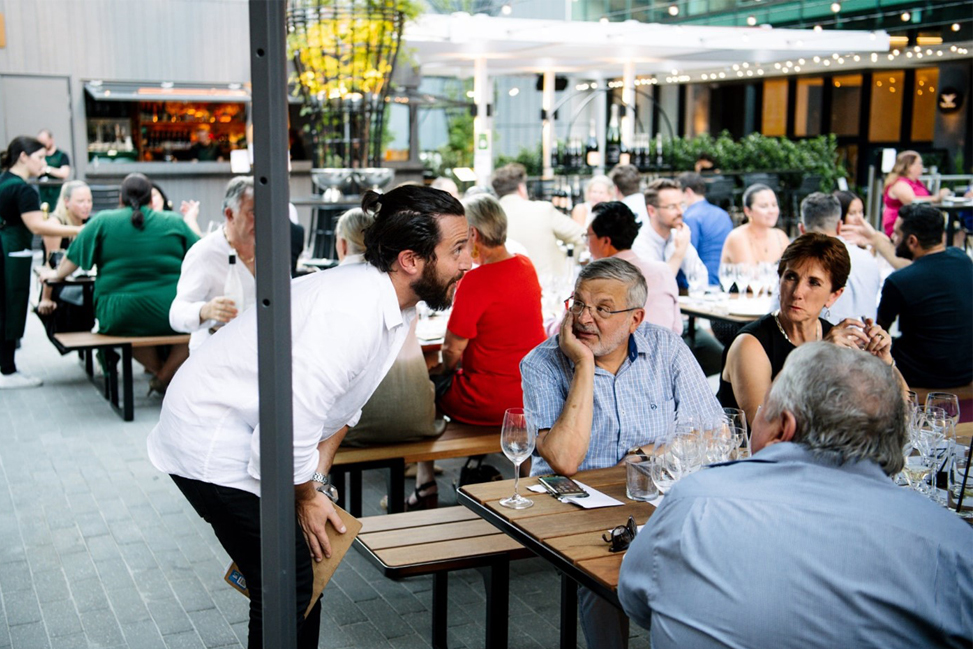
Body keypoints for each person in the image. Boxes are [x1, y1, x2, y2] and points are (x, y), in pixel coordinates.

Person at [146, 185, 472, 649]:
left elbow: (342, 408)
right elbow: (290, 427)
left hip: (249, 429)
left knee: (296, 579)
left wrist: (316, 482)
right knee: (286, 583)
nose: (468, 263)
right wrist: (305, 495)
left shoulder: (385, 300)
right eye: (457, 250)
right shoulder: (351, 312)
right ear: (410, 260)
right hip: (210, 438)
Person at [619, 342, 973, 649]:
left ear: (783, 428)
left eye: (762, 412)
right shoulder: (952, 543)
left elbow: (636, 603)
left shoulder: (694, 503)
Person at [520, 257, 721, 649]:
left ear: (636, 318)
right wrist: (582, 364)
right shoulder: (543, 362)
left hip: (654, 496)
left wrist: (643, 452)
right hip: (575, 509)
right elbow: (563, 460)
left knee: (709, 551)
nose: (584, 318)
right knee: (605, 570)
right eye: (578, 303)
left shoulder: (666, 348)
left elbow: (711, 431)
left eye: (603, 309)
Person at [42, 173, 199, 392]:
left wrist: (55, 276)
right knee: (195, 328)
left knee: (127, 333)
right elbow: (201, 253)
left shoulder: (103, 221)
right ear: (151, 199)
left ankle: (161, 374)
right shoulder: (172, 222)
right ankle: (165, 376)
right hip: (169, 309)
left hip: (118, 313)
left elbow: (71, 261)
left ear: (121, 198)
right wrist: (191, 219)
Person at [718, 233, 896, 424]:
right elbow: (765, 427)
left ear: (834, 296)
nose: (797, 293)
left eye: (813, 283)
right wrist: (816, 357)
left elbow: (898, 415)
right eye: (791, 277)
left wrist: (885, 364)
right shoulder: (750, 344)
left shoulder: (833, 338)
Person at [334, 205, 444, 509]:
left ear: (342, 244)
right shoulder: (399, 278)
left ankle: (331, 505)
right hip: (417, 418)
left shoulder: (335, 283)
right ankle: (423, 483)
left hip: (361, 424)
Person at [0, 136, 84, 388]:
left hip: (6, 249)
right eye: (39, 157)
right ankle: (7, 370)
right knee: (11, 306)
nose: (44, 163)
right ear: (23, 157)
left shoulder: (4, 181)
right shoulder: (23, 188)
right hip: (11, 252)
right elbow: (37, 225)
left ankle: (6, 367)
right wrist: (81, 231)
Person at [878, 203, 973, 388]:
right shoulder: (963, 259)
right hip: (965, 370)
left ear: (912, 241)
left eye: (897, 233)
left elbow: (881, 330)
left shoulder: (899, 281)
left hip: (920, 375)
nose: (892, 238)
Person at [168, 177, 255, 352]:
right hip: (214, 350)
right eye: (253, 212)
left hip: (260, 348)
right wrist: (205, 310)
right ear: (230, 214)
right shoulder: (204, 253)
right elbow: (176, 314)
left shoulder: (273, 249)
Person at [586, 201, 681, 335]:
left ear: (605, 241)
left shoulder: (594, 279)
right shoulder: (662, 271)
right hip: (664, 352)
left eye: (588, 236)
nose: (587, 244)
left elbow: (571, 331)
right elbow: (677, 328)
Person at [798, 192, 880, 324]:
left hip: (824, 342)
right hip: (867, 339)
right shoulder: (867, 258)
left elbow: (777, 314)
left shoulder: (799, 260)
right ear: (839, 226)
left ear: (801, 229)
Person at [492, 163, 584, 279]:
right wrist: (567, 266)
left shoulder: (491, 218)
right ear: (521, 188)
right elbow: (582, 236)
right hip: (548, 287)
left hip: (508, 288)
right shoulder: (543, 209)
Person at [631, 178, 708, 289]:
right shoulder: (639, 244)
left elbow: (700, 278)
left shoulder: (677, 236)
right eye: (672, 207)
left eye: (682, 205)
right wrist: (679, 253)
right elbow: (656, 289)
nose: (680, 212)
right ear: (651, 211)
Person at [678, 171, 732, 285]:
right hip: (724, 281)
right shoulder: (723, 214)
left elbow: (685, 256)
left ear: (687, 192)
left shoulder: (689, 217)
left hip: (698, 284)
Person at [881, 150, 950, 238]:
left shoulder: (917, 182)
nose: (922, 166)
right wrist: (936, 198)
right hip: (901, 225)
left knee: (955, 231)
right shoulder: (899, 183)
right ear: (909, 166)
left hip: (918, 222)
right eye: (919, 163)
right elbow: (911, 202)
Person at [720, 183, 790, 266]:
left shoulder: (780, 236)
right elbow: (748, 276)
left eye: (774, 205)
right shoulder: (737, 237)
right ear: (748, 211)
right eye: (764, 206)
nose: (771, 211)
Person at [42, 179, 92, 258]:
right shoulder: (55, 223)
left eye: (89, 201)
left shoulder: (90, 222)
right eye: (81, 201)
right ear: (66, 202)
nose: (86, 206)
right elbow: (52, 263)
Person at [35, 129, 71, 210]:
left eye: (44, 141)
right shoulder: (38, 156)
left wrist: (47, 169)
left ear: (51, 140)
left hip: (57, 193)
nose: (42, 144)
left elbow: (64, 173)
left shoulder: (61, 155)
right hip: (42, 194)